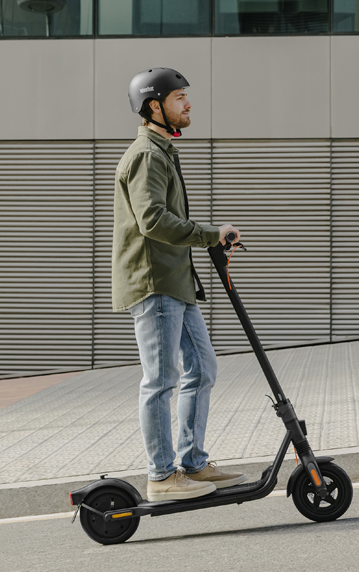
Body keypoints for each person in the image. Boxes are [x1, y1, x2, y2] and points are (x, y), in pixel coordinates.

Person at [112, 67, 247, 502]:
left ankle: (192, 464)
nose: (188, 104)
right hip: (154, 283)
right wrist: (209, 233)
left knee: (202, 368)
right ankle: (161, 476)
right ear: (155, 106)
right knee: (160, 380)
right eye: (179, 98)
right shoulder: (147, 155)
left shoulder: (163, 150)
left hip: (175, 281)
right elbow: (152, 221)